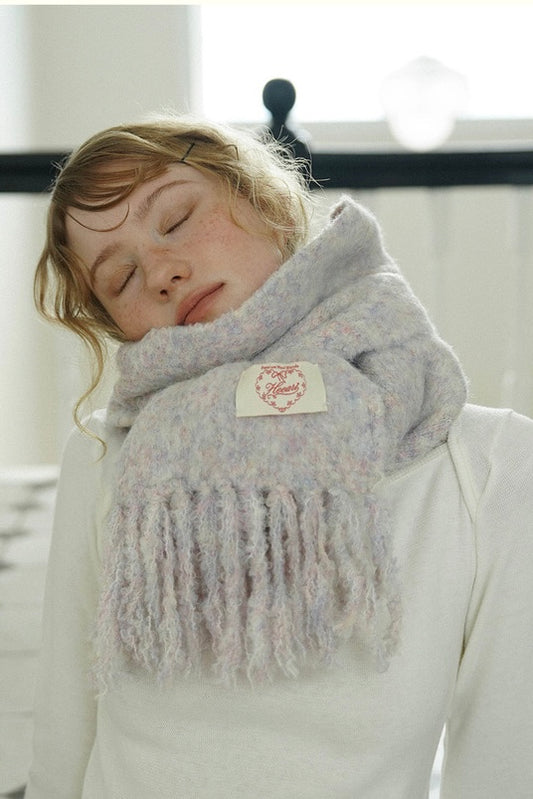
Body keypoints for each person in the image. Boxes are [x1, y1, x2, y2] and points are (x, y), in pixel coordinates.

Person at [25, 116, 533, 799]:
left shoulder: (493, 467)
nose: (163, 272)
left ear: (264, 201)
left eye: (176, 219)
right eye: (121, 278)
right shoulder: (103, 457)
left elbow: (506, 762)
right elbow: (64, 733)